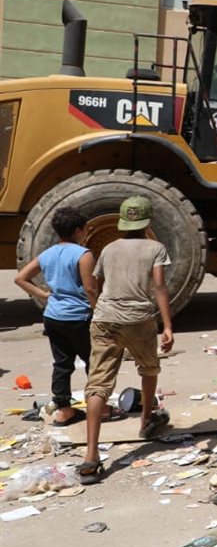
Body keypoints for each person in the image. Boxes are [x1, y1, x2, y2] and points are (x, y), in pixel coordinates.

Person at [79, 196, 174, 484]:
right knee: (148, 368)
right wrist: (167, 326)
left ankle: (91, 456)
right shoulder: (155, 248)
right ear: (147, 222)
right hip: (138, 318)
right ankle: (146, 421)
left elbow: (96, 285)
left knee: (98, 384)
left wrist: (101, 312)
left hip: (105, 317)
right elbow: (158, 285)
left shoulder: (108, 248)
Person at [13, 207, 98, 427]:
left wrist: (43, 294)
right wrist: (98, 311)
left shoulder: (48, 253)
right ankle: (100, 407)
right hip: (79, 316)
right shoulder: (83, 254)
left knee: (62, 364)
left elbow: (21, 278)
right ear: (78, 230)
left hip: (53, 316)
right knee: (94, 362)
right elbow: (90, 288)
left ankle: (63, 410)